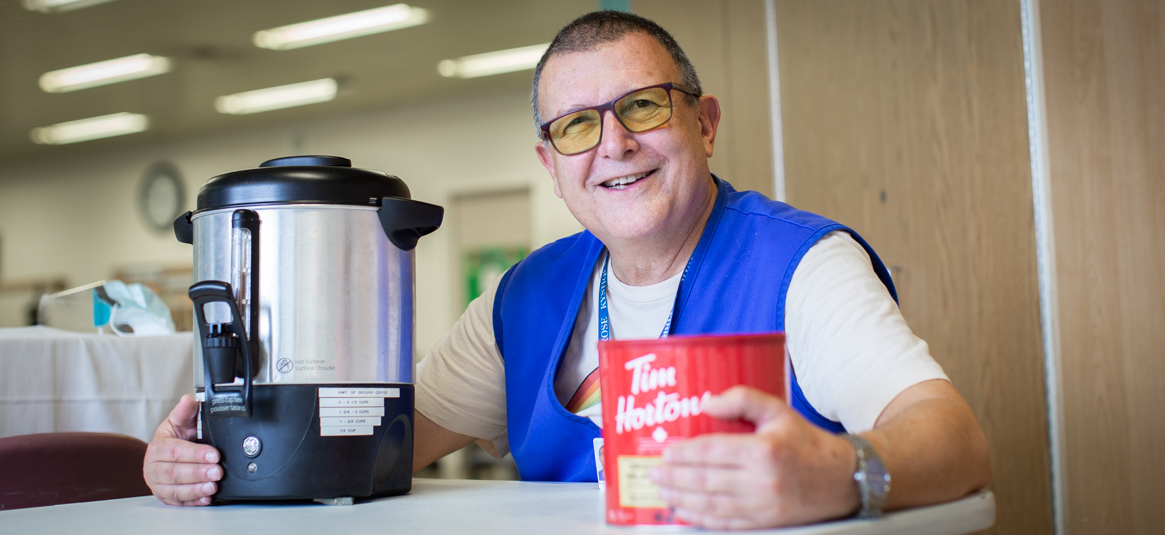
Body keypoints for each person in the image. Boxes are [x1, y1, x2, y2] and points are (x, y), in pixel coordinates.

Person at [144, 11, 991, 529]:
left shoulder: (800, 263)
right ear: (552, 166)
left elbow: (955, 439)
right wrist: (205, 460)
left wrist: (842, 474)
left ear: (705, 124)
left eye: (643, 107)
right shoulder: (526, 296)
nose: (614, 144)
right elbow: (362, 454)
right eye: (578, 128)